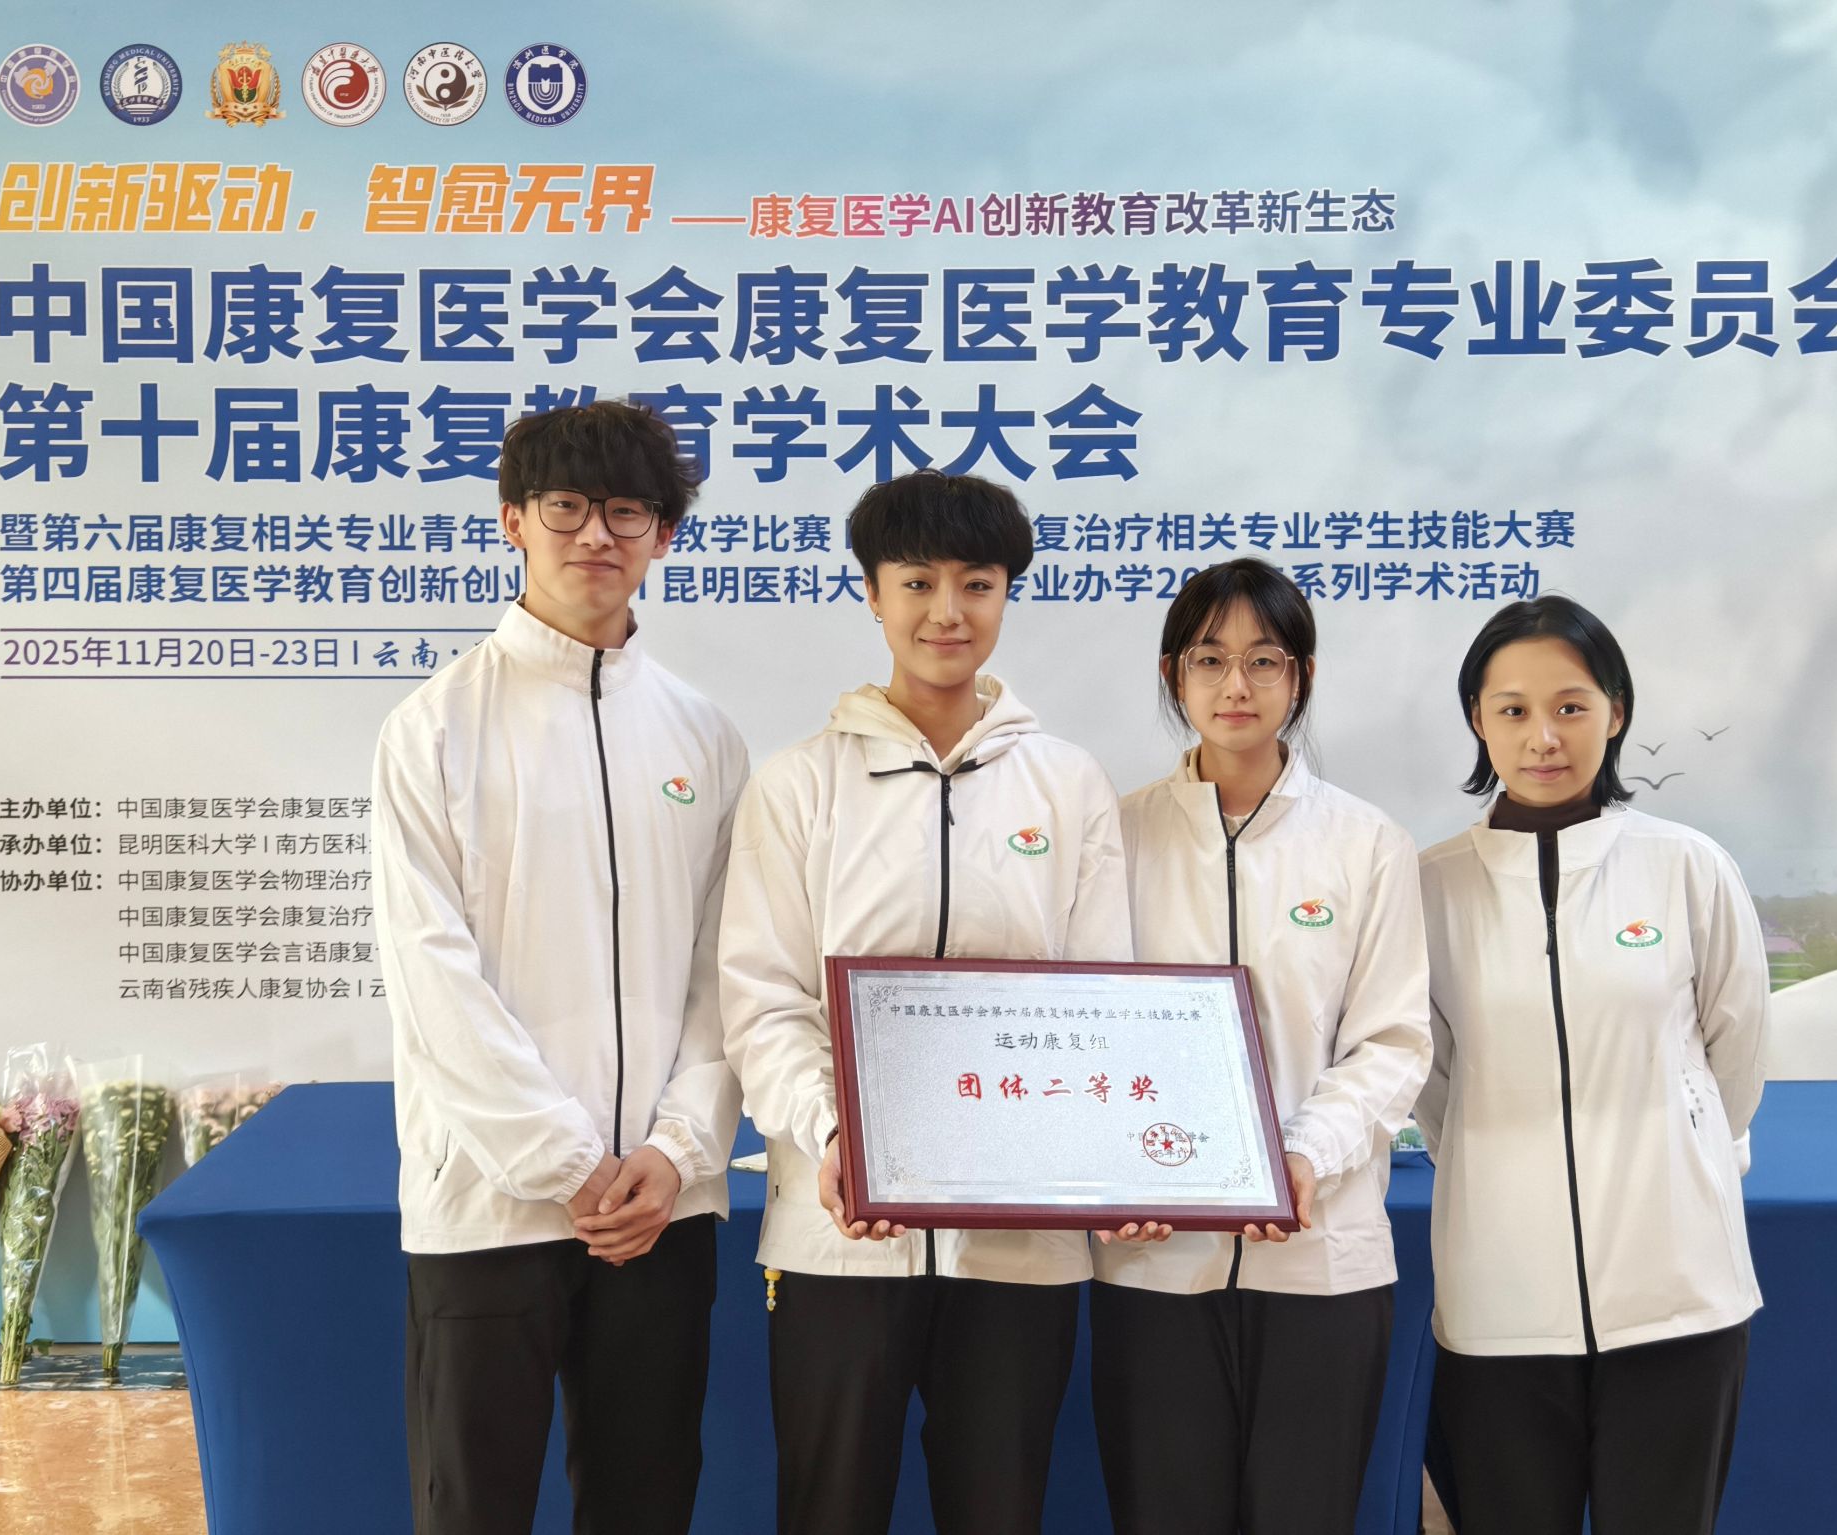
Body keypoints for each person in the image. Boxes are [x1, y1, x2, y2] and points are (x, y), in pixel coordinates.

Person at [719, 470, 1136, 1535]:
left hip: (1019, 1242)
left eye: (976, 584)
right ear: (871, 593)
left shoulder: (1067, 785)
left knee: (999, 1508)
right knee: (829, 1508)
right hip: (839, 1231)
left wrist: (1106, 1158)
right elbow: (764, 1001)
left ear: (1007, 594)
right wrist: (834, 1136)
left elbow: (1099, 1003)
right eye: (916, 582)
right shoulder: (799, 785)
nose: (947, 611)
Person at [373, 400, 747, 1535]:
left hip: (661, 1209)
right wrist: (566, 1160)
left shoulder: (704, 735)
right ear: (513, 520)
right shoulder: (436, 727)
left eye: (627, 511)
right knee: (471, 1505)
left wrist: (678, 1151)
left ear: (664, 534)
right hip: (492, 1201)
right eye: (566, 506)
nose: (596, 534)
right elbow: (429, 971)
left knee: (646, 1501)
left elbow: (727, 970)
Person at [1089, 558, 1432, 1535]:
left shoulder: (1366, 843)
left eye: (1263, 659)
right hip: (1155, 1263)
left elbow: (1391, 1039)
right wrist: (1115, 1172)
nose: (1235, 684)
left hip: (1319, 1257)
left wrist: (1301, 1156)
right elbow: (1087, 1028)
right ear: (1172, 674)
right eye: (1209, 659)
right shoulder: (1114, 836)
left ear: (1301, 676)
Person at [1417, 595, 1767, 1535]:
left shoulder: (1687, 867)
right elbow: (1433, 1082)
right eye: (1514, 709)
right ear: (1478, 719)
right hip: (1498, 1301)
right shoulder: (1429, 886)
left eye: (1571, 706)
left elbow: (1735, 1055)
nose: (1544, 736)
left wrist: (1684, 1149)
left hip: (1677, 1296)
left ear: (1616, 711)